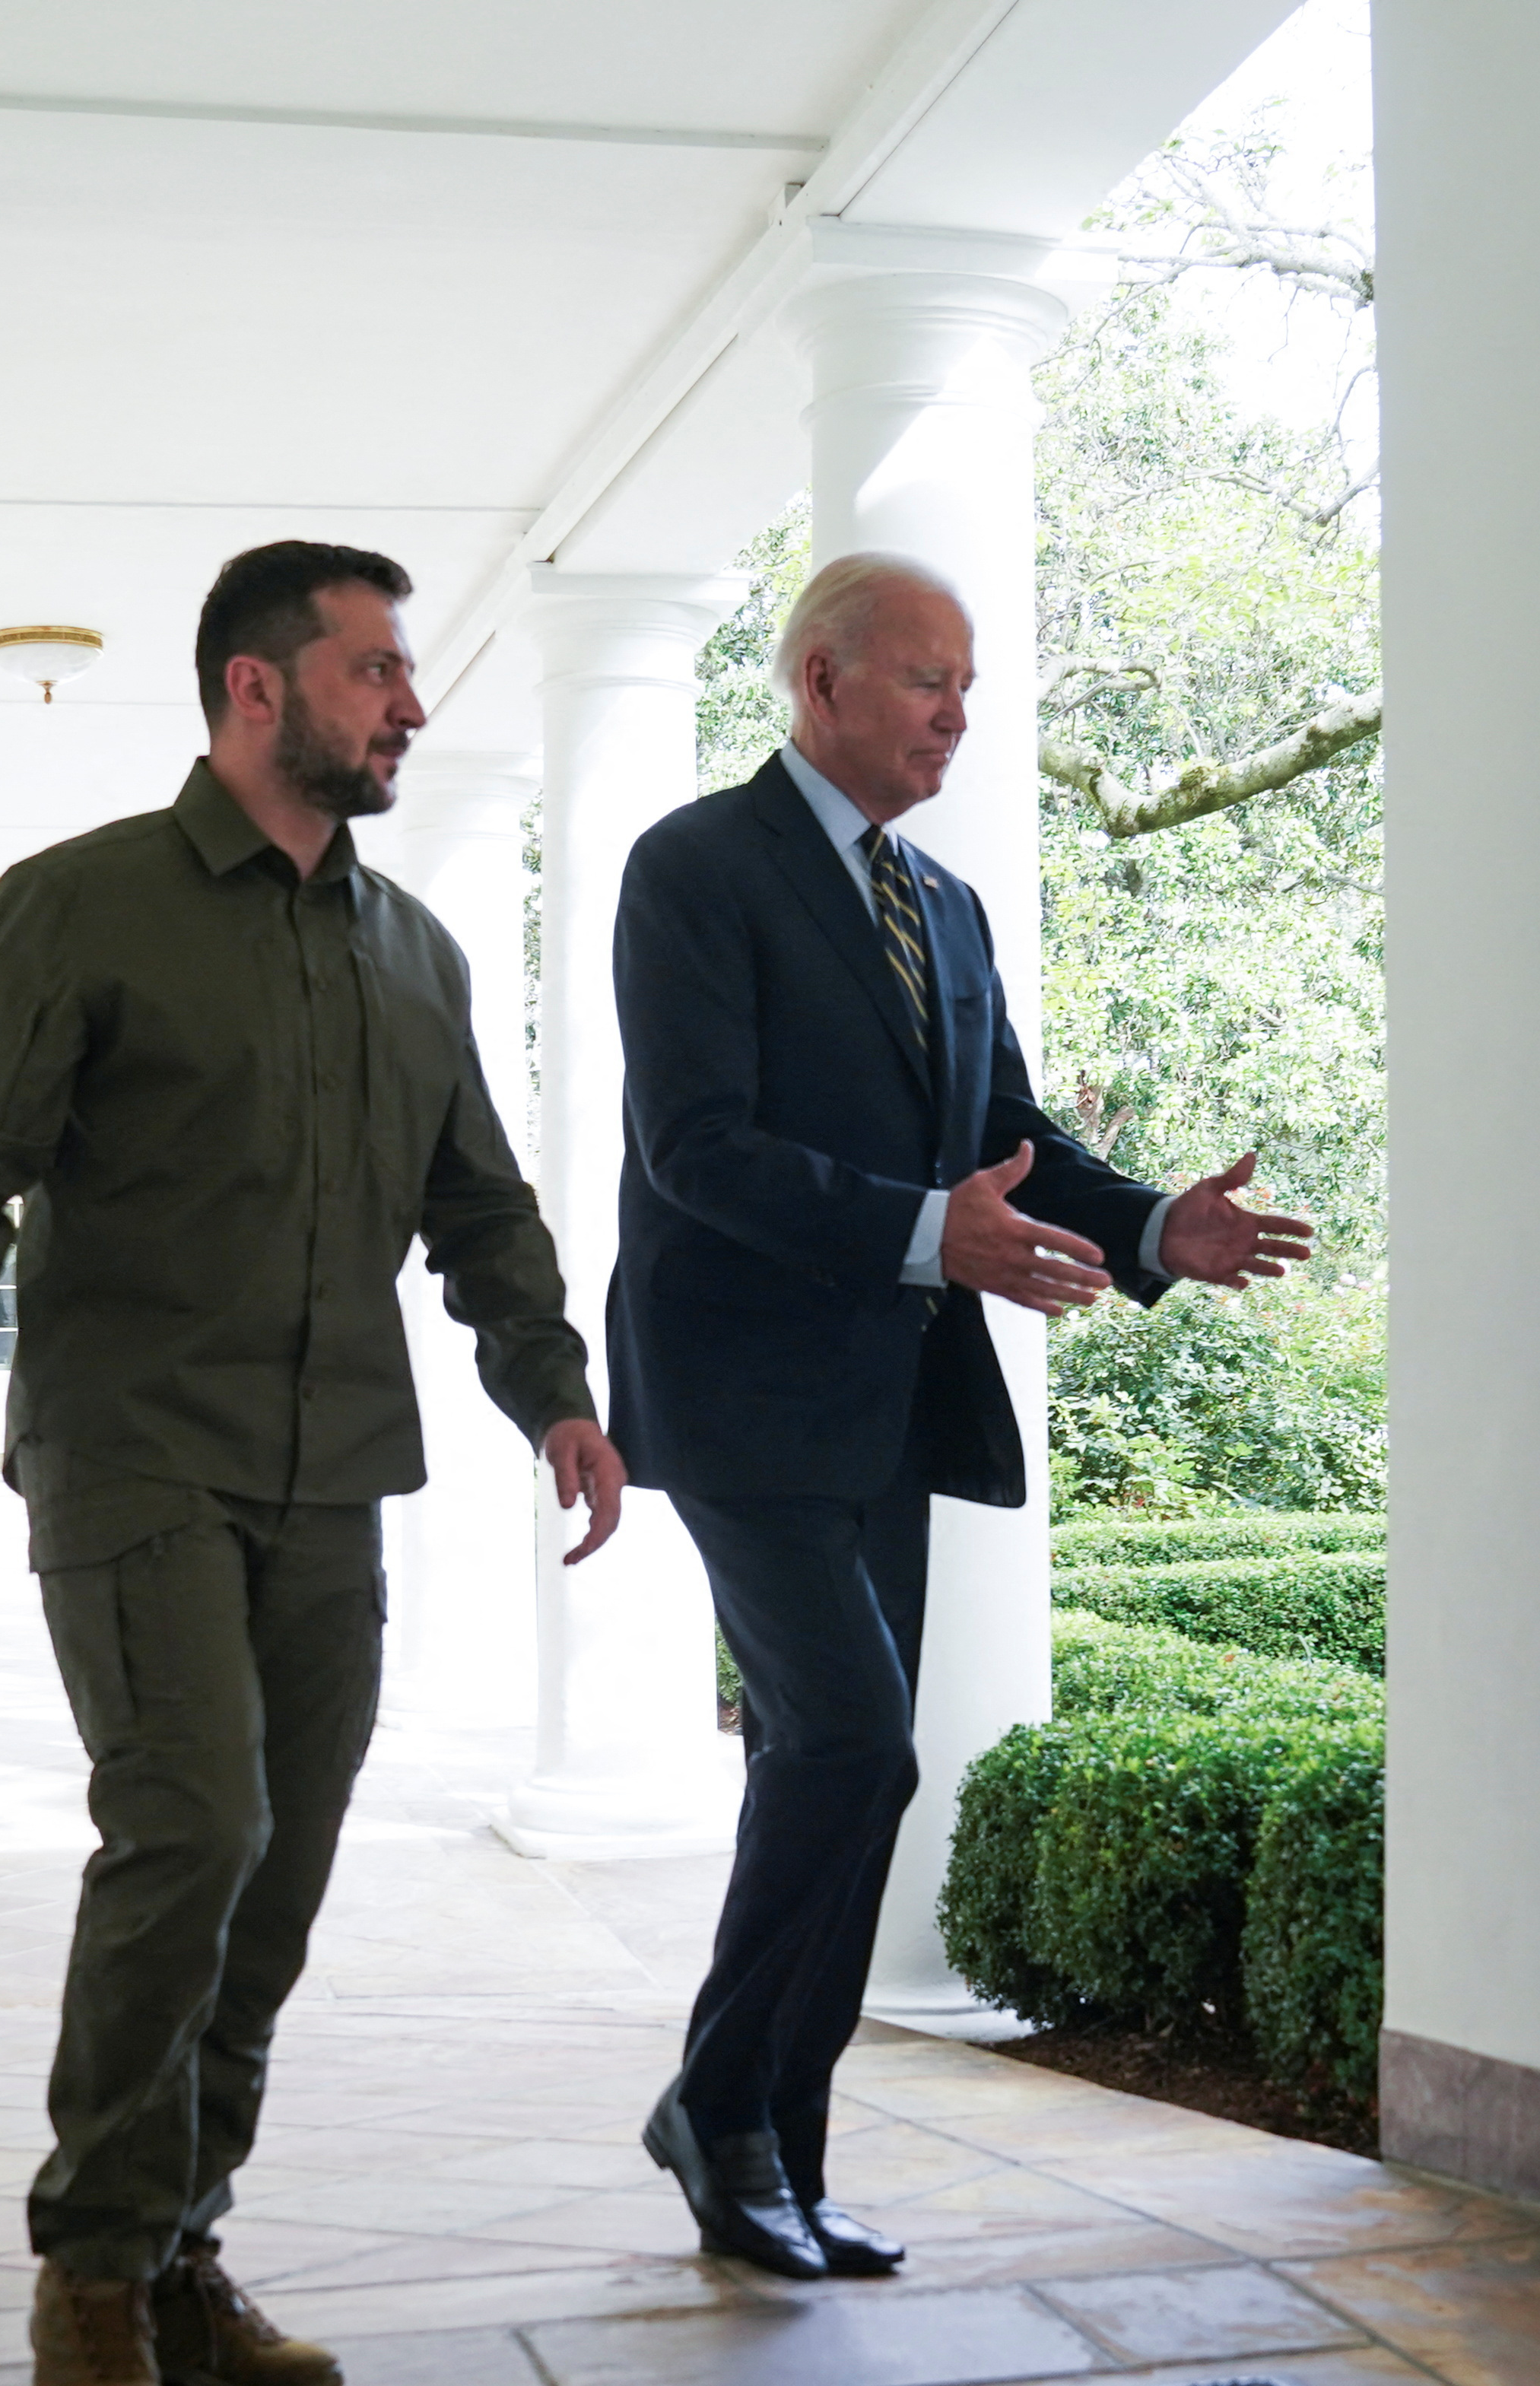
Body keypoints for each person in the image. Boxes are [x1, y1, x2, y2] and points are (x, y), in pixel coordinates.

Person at [0, 542, 627, 2386]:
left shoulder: (413, 953)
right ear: (256, 690)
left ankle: (187, 2248)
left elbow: (481, 1206)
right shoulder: (82, 909)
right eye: (375, 669)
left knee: (272, 1883)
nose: (411, 706)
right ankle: (94, 2271)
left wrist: (554, 1387)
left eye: (406, 674)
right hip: (132, 1451)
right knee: (191, 1826)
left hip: (331, 1469)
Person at [603, 551, 1311, 2280]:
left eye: (969, 684)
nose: (957, 713)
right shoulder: (694, 867)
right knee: (852, 1739)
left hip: (893, 1404)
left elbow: (1006, 1148)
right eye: (926, 679)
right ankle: (718, 2101)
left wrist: (1152, 1227)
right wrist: (935, 1232)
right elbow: (697, 1151)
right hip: (737, 1394)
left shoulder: (952, 909)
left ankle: (779, 2139)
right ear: (822, 681)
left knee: (832, 1766)